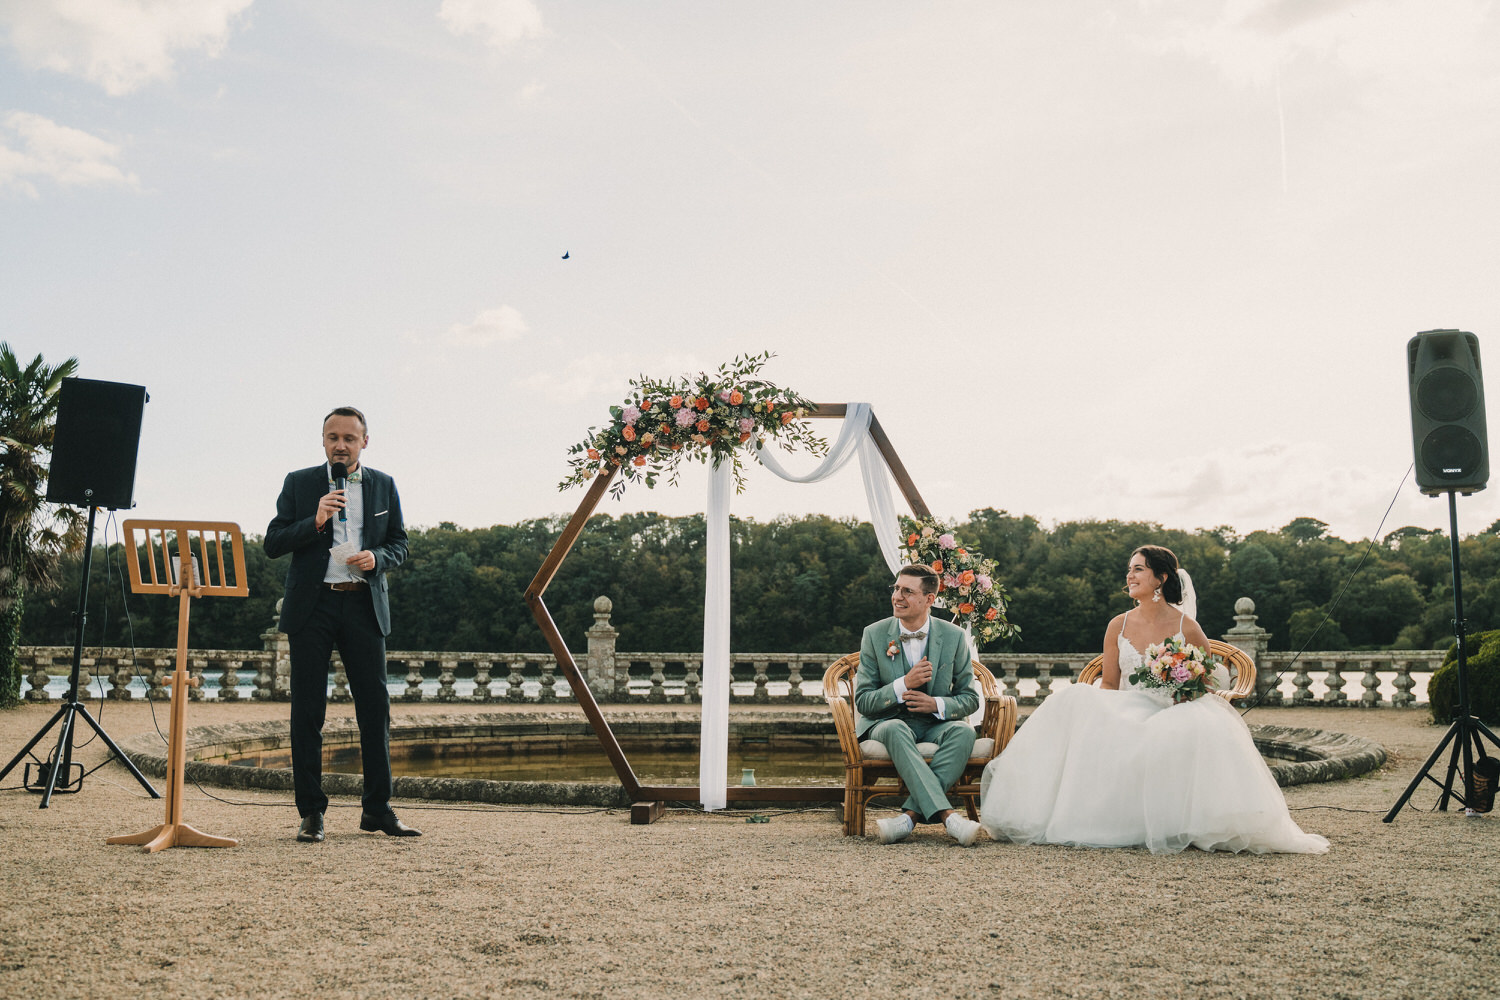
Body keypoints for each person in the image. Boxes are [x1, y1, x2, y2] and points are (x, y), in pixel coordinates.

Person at [979, 545, 1327, 854]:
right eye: (1129, 569)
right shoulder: (1118, 624)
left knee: (1187, 725)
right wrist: (1101, 715)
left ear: (1160, 578)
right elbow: (1110, 683)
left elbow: (1208, 678)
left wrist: (1183, 686)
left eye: (1138, 569)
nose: (1129, 575)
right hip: (1126, 704)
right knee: (1072, 700)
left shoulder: (1186, 627)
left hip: (1171, 707)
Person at [265, 407, 419, 843]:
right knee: (307, 713)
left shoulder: (384, 485)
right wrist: (314, 520)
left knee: (375, 711)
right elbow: (273, 543)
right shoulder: (299, 483)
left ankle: (378, 810)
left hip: (363, 605)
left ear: (364, 442)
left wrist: (378, 559)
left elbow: (400, 544)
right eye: (333, 437)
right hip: (312, 608)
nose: (340, 445)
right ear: (323, 441)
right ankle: (311, 813)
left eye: (349, 438)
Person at [856, 563, 984, 846]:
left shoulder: (953, 637)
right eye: (896, 589)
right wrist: (903, 685)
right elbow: (863, 701)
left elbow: (970, 697)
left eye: (907, 591)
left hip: (934, 724)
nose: (897, 597)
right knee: (896, 728)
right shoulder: (874, 634)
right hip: (885, 722)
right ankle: (950, 817)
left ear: (929, 599)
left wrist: (935, 704)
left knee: (964, 732)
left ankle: (908, 817)